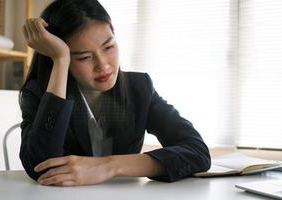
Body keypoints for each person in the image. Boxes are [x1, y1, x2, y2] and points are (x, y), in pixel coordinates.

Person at [20, 0, 211, 186]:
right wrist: (60, 59)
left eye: (109, 47)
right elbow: (41, 168)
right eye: (84, 57)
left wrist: (108, 166)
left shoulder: (139, 88)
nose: (103, 65)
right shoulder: (40, 93)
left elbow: (197, 151)